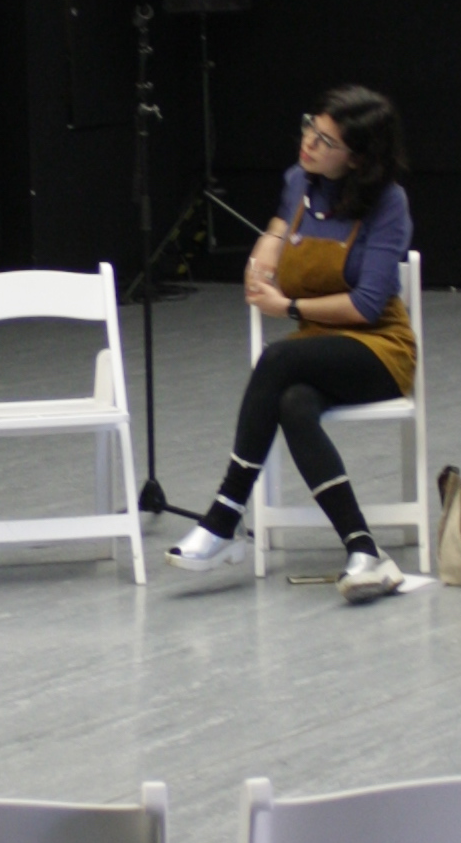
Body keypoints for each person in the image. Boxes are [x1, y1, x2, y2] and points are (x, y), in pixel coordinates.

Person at [168, 86, 418, 603]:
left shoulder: (387, 202)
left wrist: (288, 307)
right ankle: (365, 549)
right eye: (310, 127)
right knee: (293, 402)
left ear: (358, 158)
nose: (309, 142)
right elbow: (282, 227)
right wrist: (261, 263)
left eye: (326, 140)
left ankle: (225, 513)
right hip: (317, 347)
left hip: (377, 349)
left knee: (277, 356)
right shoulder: (298, 180)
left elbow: (368, 305)